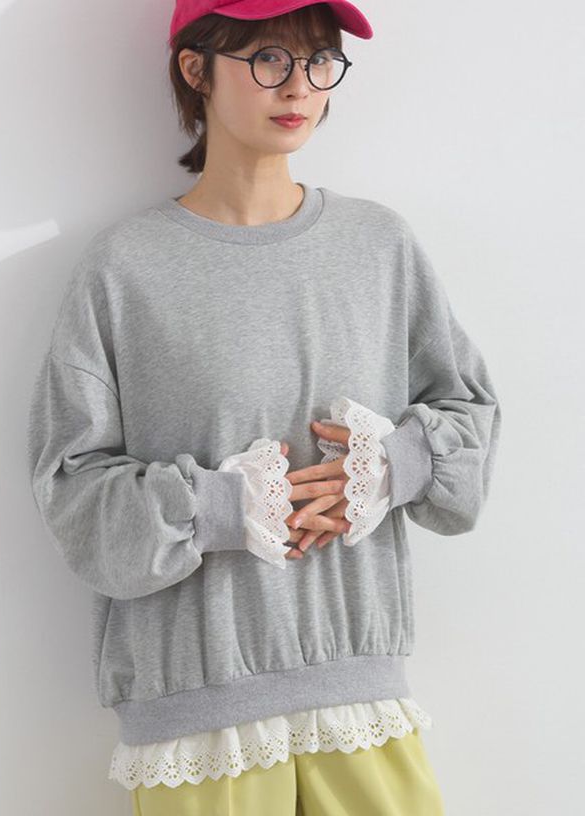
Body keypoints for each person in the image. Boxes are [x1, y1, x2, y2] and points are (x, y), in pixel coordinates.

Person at [26, 1, 502, 813]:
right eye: (269, 58)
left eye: (318, 60)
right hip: (199, 719)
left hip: (360, 696)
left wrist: (394, 468)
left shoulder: (378, 245)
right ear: (195, 68)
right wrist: (220, 508)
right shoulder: (125, 267)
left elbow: (472, 415)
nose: (300, 86)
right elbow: (70, 488)